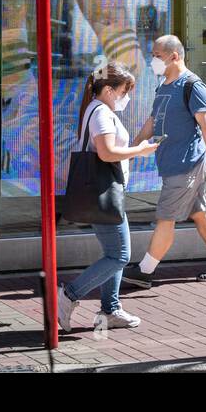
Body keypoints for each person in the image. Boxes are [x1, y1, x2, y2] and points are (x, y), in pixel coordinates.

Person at [121, 35, 206, 287]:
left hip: (187, 163)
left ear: (175, 56)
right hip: (172, 162)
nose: (153, 60)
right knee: (200, 212)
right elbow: (154, 120)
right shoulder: (164, 86)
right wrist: (133, 147)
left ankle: (145, 271)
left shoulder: (193, 86)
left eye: (157, 55)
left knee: (165, 216)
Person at [56, 64, 160, 331]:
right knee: (119, 255)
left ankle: (110, 310)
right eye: (125, 91)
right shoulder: (101, 112)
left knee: (114, 252)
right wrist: (140, 151)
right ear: (111, 90)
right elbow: (106, 152)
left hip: (104, 191)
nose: (127, 97)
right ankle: (70, 295)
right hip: (104, 192)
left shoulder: (93, 108)